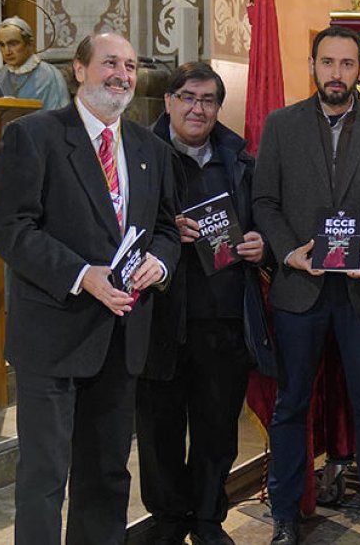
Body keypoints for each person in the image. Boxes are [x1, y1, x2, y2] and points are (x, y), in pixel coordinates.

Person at [0, 31, 181, 544]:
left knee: (107, 475)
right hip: (53, 334)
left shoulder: (149, 148)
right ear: (79, 68)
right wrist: (81, 275)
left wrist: (159, 263)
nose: (122, 75)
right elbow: (10, 228)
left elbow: (164, 227)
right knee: (45, 477)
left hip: (120, 336)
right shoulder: (33, 136)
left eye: (131, 66)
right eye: (110, 63)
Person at [253, 25, 360, 545]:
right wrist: (288, 252)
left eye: (347, 63)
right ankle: (284, 517)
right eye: (327, 62)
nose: (336, 73)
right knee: (292, 404)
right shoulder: (281, 125)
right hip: (303, 288)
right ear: (313, 65)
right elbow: (265, 203)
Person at [137, 62, 275, 545]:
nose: (198, 108)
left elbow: (263, 225)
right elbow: (121, 229)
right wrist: (163, 231)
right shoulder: (141, 156)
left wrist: (262, 247)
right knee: (160, 429)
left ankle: (208, 518)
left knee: (217, 428)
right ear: (169, 101)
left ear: (218, 107)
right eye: (189, 97)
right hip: (161, 316)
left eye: (209, 100)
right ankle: (169, 518)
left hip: (224, 317)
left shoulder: (240, 159)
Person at [0, 15, 70, 109]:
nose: (7, 51)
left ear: (29, 44)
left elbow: (60, 120)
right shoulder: (1, 76)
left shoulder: (50, 76)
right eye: (2, 45)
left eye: (13, 43)